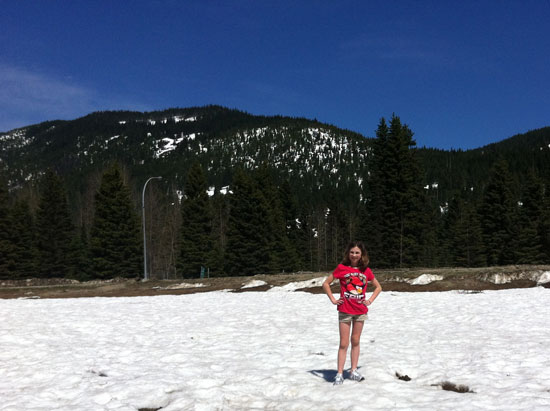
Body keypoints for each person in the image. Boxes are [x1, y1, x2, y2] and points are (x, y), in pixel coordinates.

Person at [322, 241, 382, 385]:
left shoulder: (366, 270)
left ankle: (353, 370)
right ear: (348, 254)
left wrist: (370, 300)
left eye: (357, 253)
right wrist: (333, 299)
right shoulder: (341, 268)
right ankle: (340, 373)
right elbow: (326, 283)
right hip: (345, 311)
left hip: (360, 311)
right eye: (352, 252)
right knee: (344, 343)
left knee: (355, 341)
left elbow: (378, 287)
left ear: (362, 255)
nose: (354, 255)